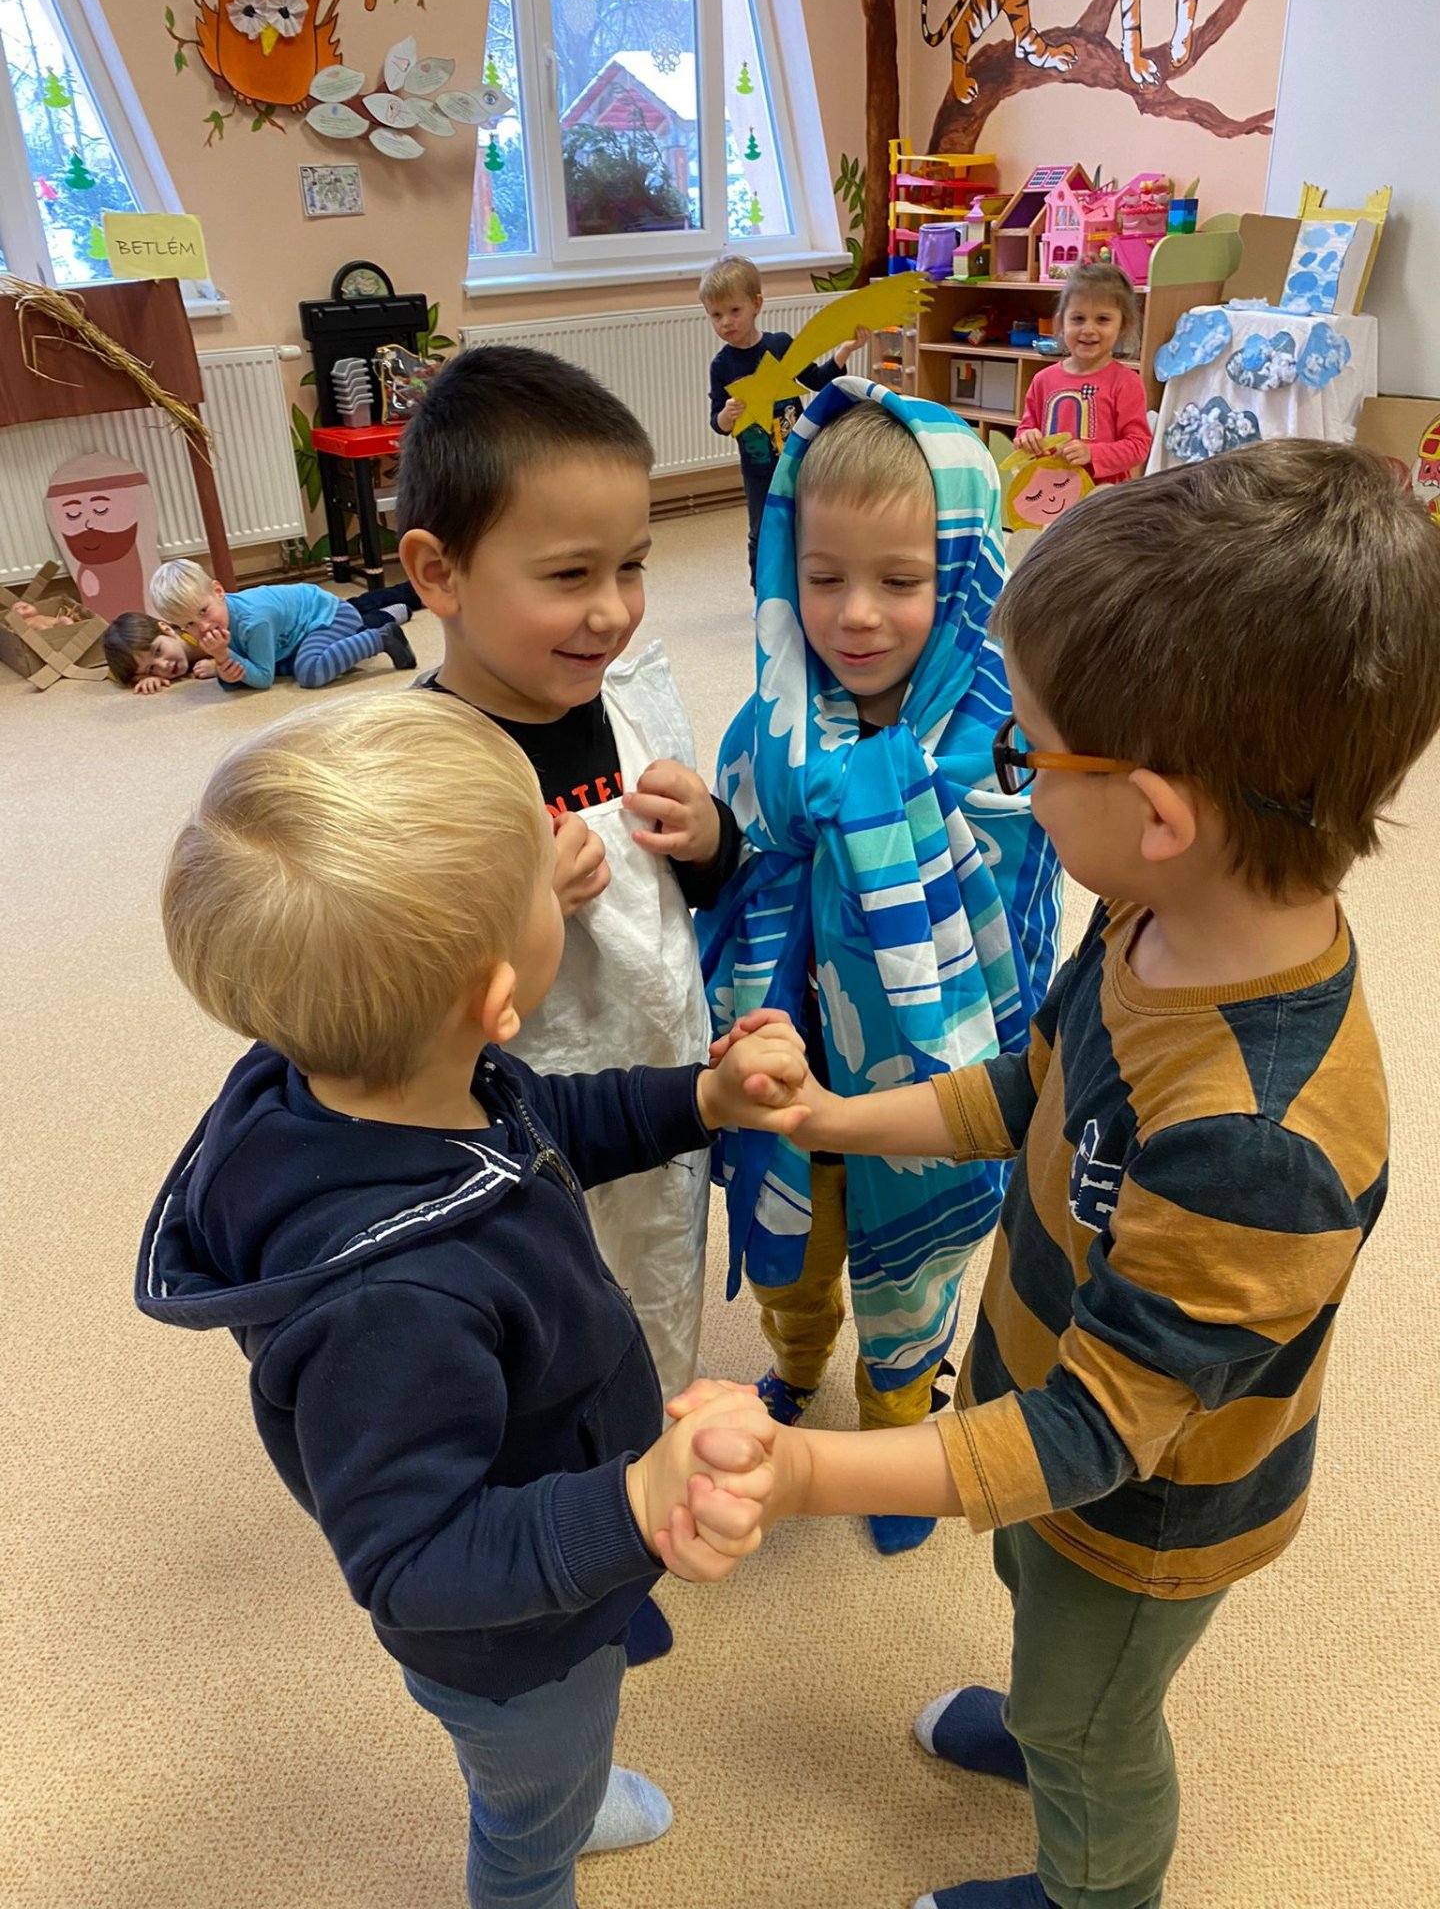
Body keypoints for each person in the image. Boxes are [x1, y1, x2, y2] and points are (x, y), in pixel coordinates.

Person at [683, 441, 1440, 1909]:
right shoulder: (1152, 916)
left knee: (1092, 1717)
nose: (1013, 784)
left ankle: (1091, 1878)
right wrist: (836, 1119)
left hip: (1144, 1503)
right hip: (1047, 1401)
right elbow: (1034, 1089)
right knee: (1032, 1592)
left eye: (1028, 758)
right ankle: (1047, 1711)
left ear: (1156, 812)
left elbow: (1098, 1434)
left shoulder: (1257, 1145)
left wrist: (806, 1476)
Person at [134, 691, 802, 1909]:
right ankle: (543, 1839)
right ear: (499, 998)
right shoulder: (391, 1302)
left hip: (554, 1524)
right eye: (543, 871)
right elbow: (414, 1557)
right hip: (510, 1647)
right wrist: (634, 1499)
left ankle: (566, 1785)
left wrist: (696, 1101)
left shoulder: (401, 1076)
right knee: (529, 1802)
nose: (566, 858)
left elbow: (547, 1123)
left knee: (569, 1737)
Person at [397, 344, 742, 1662]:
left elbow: (696, 900)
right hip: (513, 1130)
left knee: (650, 1293)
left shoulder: (626, 708)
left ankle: (637, 1473)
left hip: (650, 1094)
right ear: (439, 575)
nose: (612, 612)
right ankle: (566, 1538)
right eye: (568, 577)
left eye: (633, 566)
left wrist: (708, 838)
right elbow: (381, 1003)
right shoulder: (424, 771)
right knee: (544, 1337)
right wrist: (510, 902)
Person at [695, 381, 1062, 1556]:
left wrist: (868, 818)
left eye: (900, 582)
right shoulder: (771, 722)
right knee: (792, 1256)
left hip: (924, 1086)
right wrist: (709, 842)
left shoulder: (1007, 738)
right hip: (788, 1060)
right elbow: (738, 868)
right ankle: (797, 1361)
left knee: (916, 1277)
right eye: (822, 577)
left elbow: (1017, 899)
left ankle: (901, 1426)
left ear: (963, 572)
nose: (855, 616)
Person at [701, 253, 868, 588]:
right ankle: (763, 592)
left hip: (797, 456)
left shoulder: (779, 345)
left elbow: (817, 380)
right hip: (758, 466)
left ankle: (807, 583)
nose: (726, 323)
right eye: (716, 315)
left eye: (734, 311)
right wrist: (726, 415)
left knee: (805, 521)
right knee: (761, 529)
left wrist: (845, 351)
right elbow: (717, 423)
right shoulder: (721, 366)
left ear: (756, 304)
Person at [139, 559, 417, 692]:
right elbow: (236, 678)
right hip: (296, 634)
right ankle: (392, 615)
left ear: (219, 591)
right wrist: (224, 666)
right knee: (277, 667)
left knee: (309, 672)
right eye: (189, 624)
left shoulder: (254, 621)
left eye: (203, 611)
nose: (203, 626)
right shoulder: (220, 619)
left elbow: (262, 679)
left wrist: (222, 655)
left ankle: (382, 638)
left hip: (330, 615)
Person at [1015, 262, 1152, 485]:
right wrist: (1026, 438)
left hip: (1102, 497)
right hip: (1050, 491)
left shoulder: (1126, 383)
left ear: (1123, 325)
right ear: (1060, 323)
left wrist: (1092, 454)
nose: (1088, 330)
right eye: (1078, 319)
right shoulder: (1043, 380)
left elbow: (1138, 446)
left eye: (1103, 319)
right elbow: (1026, 429)